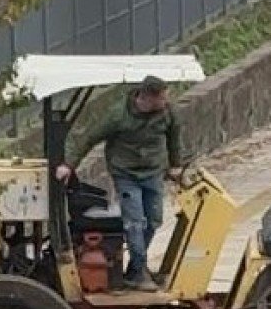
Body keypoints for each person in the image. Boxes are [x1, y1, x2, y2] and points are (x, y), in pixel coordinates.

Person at [57, 75, 187, 289]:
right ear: (147, 98)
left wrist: (176, 165)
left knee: (153, 220)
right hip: (126, 174)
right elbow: (89, 138)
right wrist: (69, 165)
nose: (166, 102)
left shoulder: (167, 113)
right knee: (135, 223)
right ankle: (138, 271)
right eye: (162, 98)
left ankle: (136, 268)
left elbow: (175, 138)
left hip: (153, 172)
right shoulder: (118, 116)